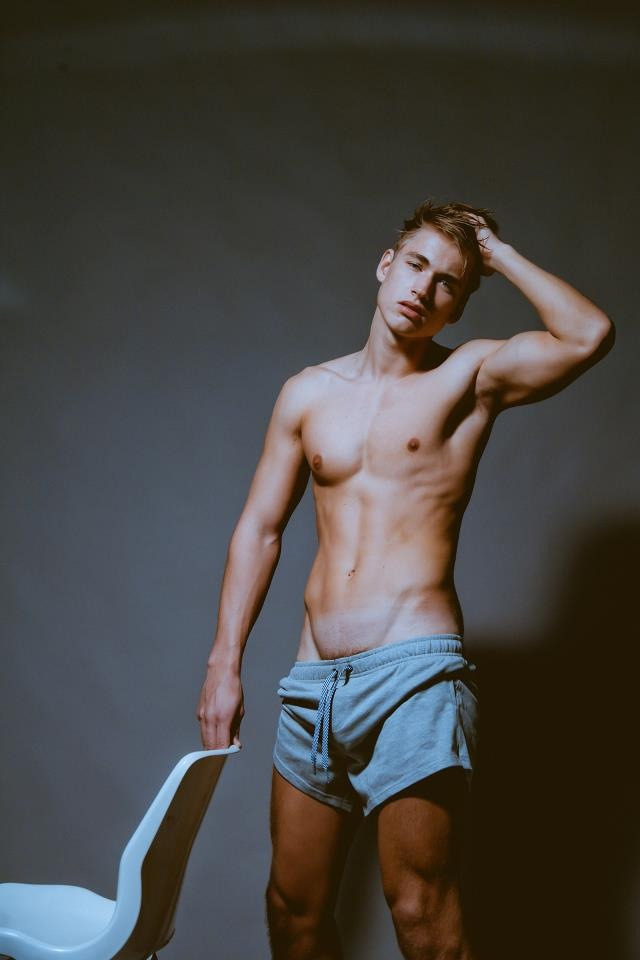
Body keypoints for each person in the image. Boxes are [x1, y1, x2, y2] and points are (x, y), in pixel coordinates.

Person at [197, 199, 614, 960]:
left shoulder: (469, 376)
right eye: (416, 265)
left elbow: (588, 334)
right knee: (291, 912)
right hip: (313, 689)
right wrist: (224, 664)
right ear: (385, 265)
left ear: (461, 302)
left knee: (421, 912)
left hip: (413, 678)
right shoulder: (307, 393)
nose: (424, 288)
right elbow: (259, 530)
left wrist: (494, 250)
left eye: (449, 282)